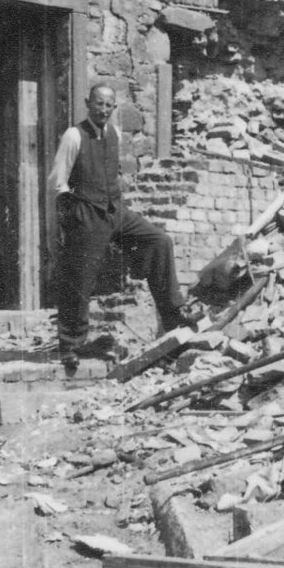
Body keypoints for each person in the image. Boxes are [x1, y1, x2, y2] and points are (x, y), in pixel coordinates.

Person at [49, 84, 192, 366]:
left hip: (115, 211)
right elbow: (58, 182)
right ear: (87, 103)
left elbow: (112, 174)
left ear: (113, 107)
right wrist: (74, 215)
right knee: (80, 276)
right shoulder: (74, 135)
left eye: (108, 105)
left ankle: (173, 317)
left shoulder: (114, 133)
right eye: (98, 103)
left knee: (158, 241)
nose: (103, 110)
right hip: (88, 213)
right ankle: (70, 346)